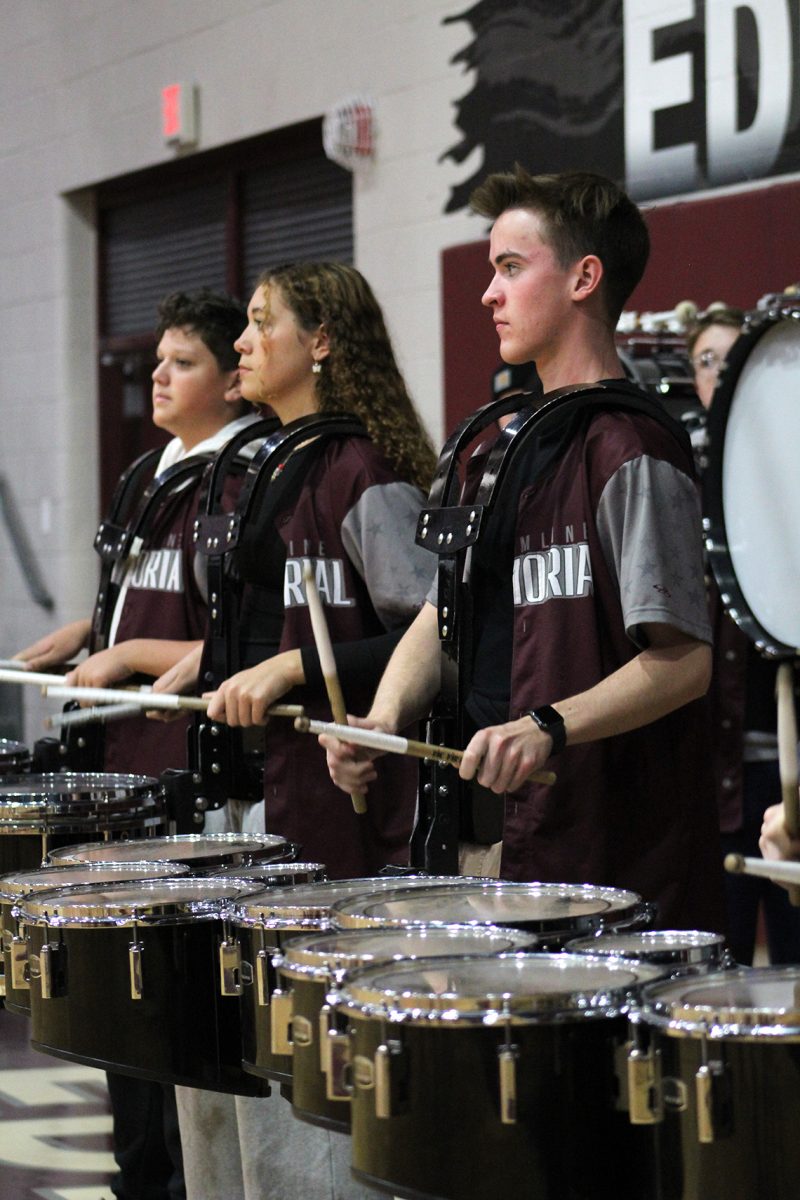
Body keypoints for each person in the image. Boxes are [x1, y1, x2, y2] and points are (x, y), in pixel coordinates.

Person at [325, 166, 726, 934]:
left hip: (601, 865)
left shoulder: (631, 449)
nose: (490, 293)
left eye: (511, 267)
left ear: (584, 277)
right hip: (480, 842)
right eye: (490, 271)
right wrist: (381, 717)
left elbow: (684, 662)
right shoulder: (494, 448)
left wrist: (547, 724)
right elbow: (449, 610)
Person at [156, 261, 437, 1200]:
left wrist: (293, 669)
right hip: (249, 810)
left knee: (307, 1105)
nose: (242, 340)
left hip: (330, 823)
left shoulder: (361, 466)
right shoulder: (268, 464)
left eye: (260, 322)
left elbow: (425, 631)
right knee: (228, 1091)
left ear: (321, 341)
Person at [14, 288, 259, 1200]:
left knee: (172, 1046)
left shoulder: (245, 474)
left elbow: (243, 643)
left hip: (188, 786)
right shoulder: (149, 470)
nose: (157, 374)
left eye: (182, 362)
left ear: (234, 381)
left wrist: (128, 651)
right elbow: (144, 596)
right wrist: (91, 631)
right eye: (157, 359)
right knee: (120, 1044)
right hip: (116, 776)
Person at [687, 305, 800, 964]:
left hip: (785, 748)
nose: (723, 374)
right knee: (725, 949)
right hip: (722, 763)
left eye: (735, 360)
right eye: (708, 361)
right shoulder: (691, 473)